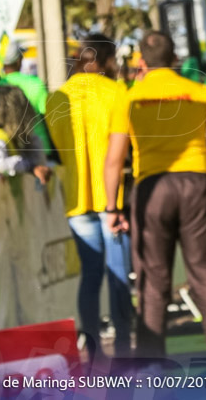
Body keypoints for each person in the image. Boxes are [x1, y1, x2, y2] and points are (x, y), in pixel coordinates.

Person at [103, 31, 206, 360]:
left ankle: (151, 365)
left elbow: (113, 160)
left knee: (152, 280)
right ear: (175, 59)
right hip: (196, 185)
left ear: (141, 61)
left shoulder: (130, 96)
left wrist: (112, 207)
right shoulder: (198, 92)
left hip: (151, 190)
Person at [46, 33, 133, 362]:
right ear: (106, 60)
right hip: (110, 200)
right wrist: (113, 206)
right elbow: (118, 153)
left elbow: (55, 151)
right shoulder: (116, 93)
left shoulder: (55, 98)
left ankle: (93, 346)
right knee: (118, 273)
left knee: (91, 274)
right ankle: (124, 347)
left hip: (75, 200)